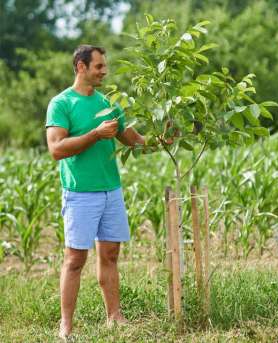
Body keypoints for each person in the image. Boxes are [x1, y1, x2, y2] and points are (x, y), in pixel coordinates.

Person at [45, 44, 145, 340]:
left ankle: (114, 317)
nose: (105, 71)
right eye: (99, 66)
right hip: (80, 194)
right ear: (81, 67)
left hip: (110, 191)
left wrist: (167, 137)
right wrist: (94, 134)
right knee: (75, 259)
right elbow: (56, 149)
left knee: (111, 254)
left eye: (105, 66)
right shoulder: (61, 103)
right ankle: (66, 325)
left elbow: (132, 140)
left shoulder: (109, 103)